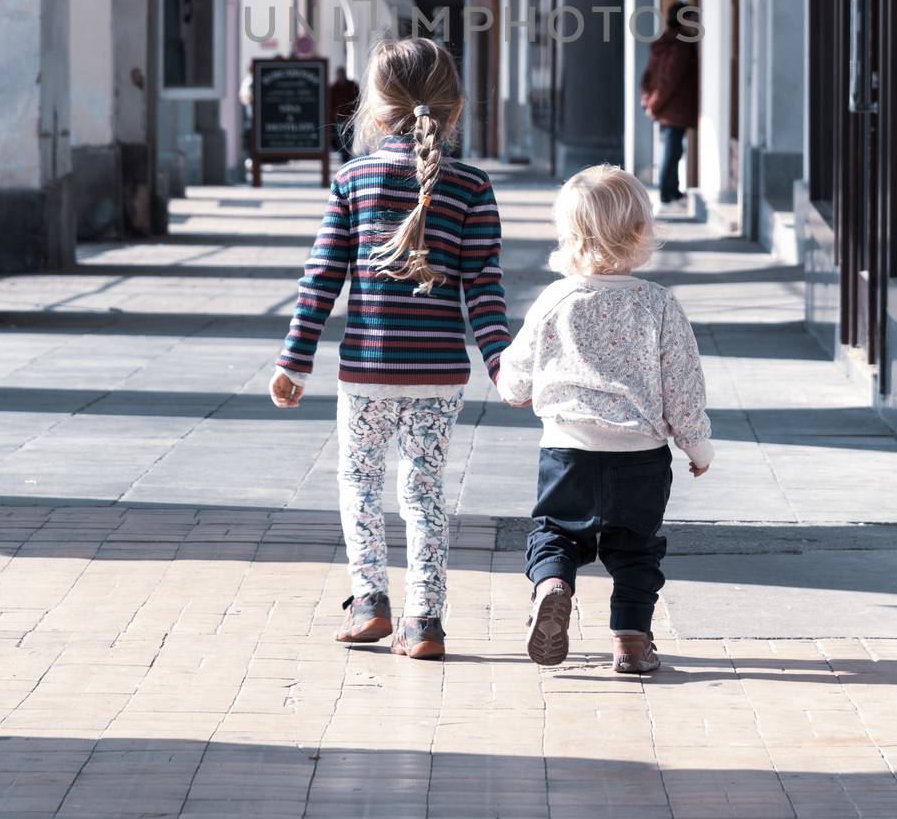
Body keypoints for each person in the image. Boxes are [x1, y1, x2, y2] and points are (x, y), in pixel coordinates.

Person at [270, 37, 510, 662]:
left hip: (368, 372)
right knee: (424, 489)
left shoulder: (353, 180)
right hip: (439, 374)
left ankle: (369, 603)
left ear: (373, 111)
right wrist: (500, 359)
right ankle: (425, 619)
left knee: (360, 479)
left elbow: (321, 279)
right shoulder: (472, 188)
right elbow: (485, 287)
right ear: (455, 108)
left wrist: (295, 360)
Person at [496, 164, 713, 675]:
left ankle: (552, 584)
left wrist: (513, 390)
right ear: (643, 233)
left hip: (567, 449)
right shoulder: (659, 305)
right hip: (640, 455)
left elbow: (518, 370)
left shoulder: (554, 300)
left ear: (568, 236)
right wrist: (698, 448)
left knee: (554, 532)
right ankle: (632, 644)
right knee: (637, 551)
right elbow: (683, 385)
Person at [640, 0, 699, 206]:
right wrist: (654, 104)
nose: (695, 23)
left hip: (665, 106)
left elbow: (647, 76)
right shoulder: (680, 46)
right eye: (692, 18)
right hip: (673, 107)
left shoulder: (664, 42)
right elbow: (669, 80)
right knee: (672, 150)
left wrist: (648, 101)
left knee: (672, 149)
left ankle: (671, 190)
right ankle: (667, 192)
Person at [329, 64, 359, 153]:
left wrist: (355, 112)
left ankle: (347, 153)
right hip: (338, 117)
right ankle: (342, 153)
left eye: (342, 75)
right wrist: (333, 116)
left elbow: (357, 99)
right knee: (339, 138)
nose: (340, 77)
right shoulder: (333, 88)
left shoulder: (352, 85)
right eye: (339, 75)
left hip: (349, 116)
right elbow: (330, 103)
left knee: (349, 136)